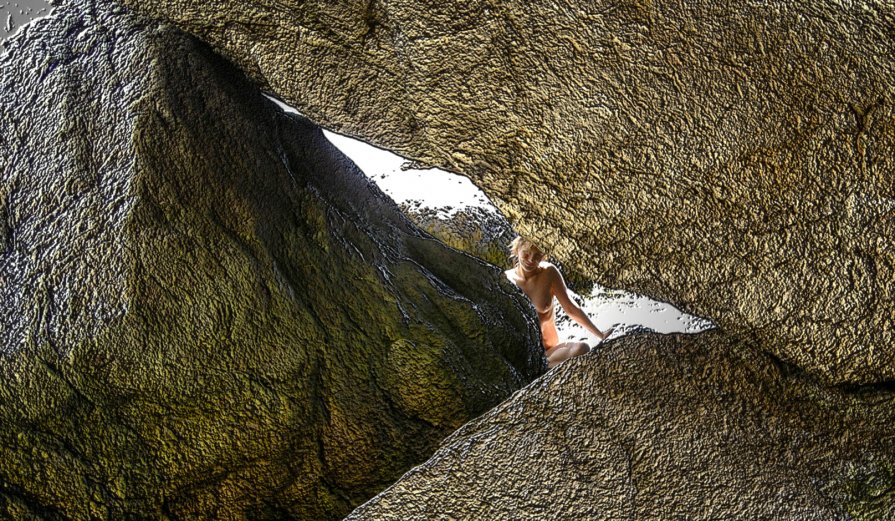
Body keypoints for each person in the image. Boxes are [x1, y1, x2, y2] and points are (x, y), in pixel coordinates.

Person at [505, 236, 613, 368]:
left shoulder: (549, 272)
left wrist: (600, 334)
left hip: (550, 352)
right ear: (517, 250)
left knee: (582, 348)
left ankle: (541, 368)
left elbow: (571, 307)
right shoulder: (506, 279)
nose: (531, 259)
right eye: (526, 253)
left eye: (538, 255)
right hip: (524, 355)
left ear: (545, 255)